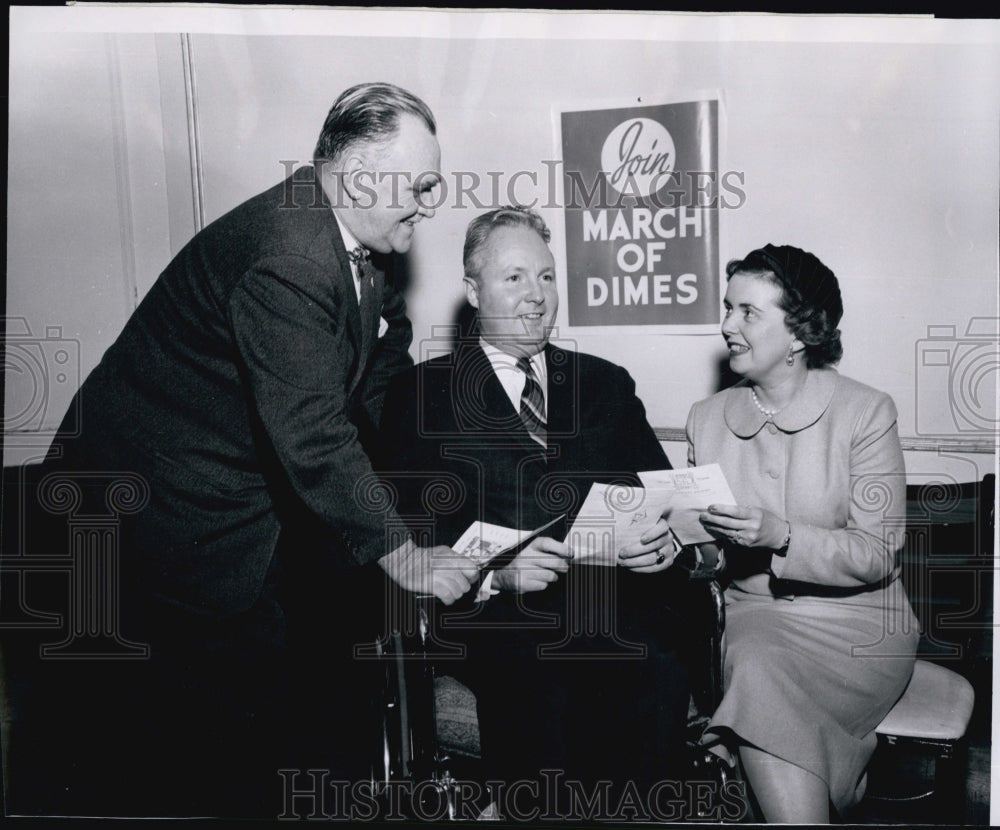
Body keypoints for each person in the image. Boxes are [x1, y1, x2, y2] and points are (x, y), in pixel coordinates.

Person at [20, 82, 478, 818]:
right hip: (139, 508)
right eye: (420, 185)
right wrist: (407, 555)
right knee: (160, 735)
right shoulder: (289, 255)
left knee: (250, 708)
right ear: (360, 179)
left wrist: (424, 473)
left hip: (219, 495)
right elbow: (312, 434)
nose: (430, 203)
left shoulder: (363, 244)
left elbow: (379, 363)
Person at [375, 206, 693, 821]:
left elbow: (660, 495)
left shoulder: (605, 384)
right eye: (515, 278)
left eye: (546, 278)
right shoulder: (420, 394)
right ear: (474, 291)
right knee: (543, 667)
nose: (537, 297)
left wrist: (663, 541)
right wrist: (498, 572)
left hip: (609, 594)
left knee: (657, 652)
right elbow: (409, 533)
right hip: (491, 610)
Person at [685, 244, 918, 823]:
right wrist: (678, 541)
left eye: (747, 312)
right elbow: (707, 556)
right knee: (759, 664)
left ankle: (829, 776)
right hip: (754, 615)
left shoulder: (866, 412)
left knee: (759, 679)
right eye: (727, 308)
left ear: (798, 335)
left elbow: (877, 552)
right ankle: (837, 781)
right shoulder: (705, 418)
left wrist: (781, 534)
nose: (728, 326)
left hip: (859, 626)